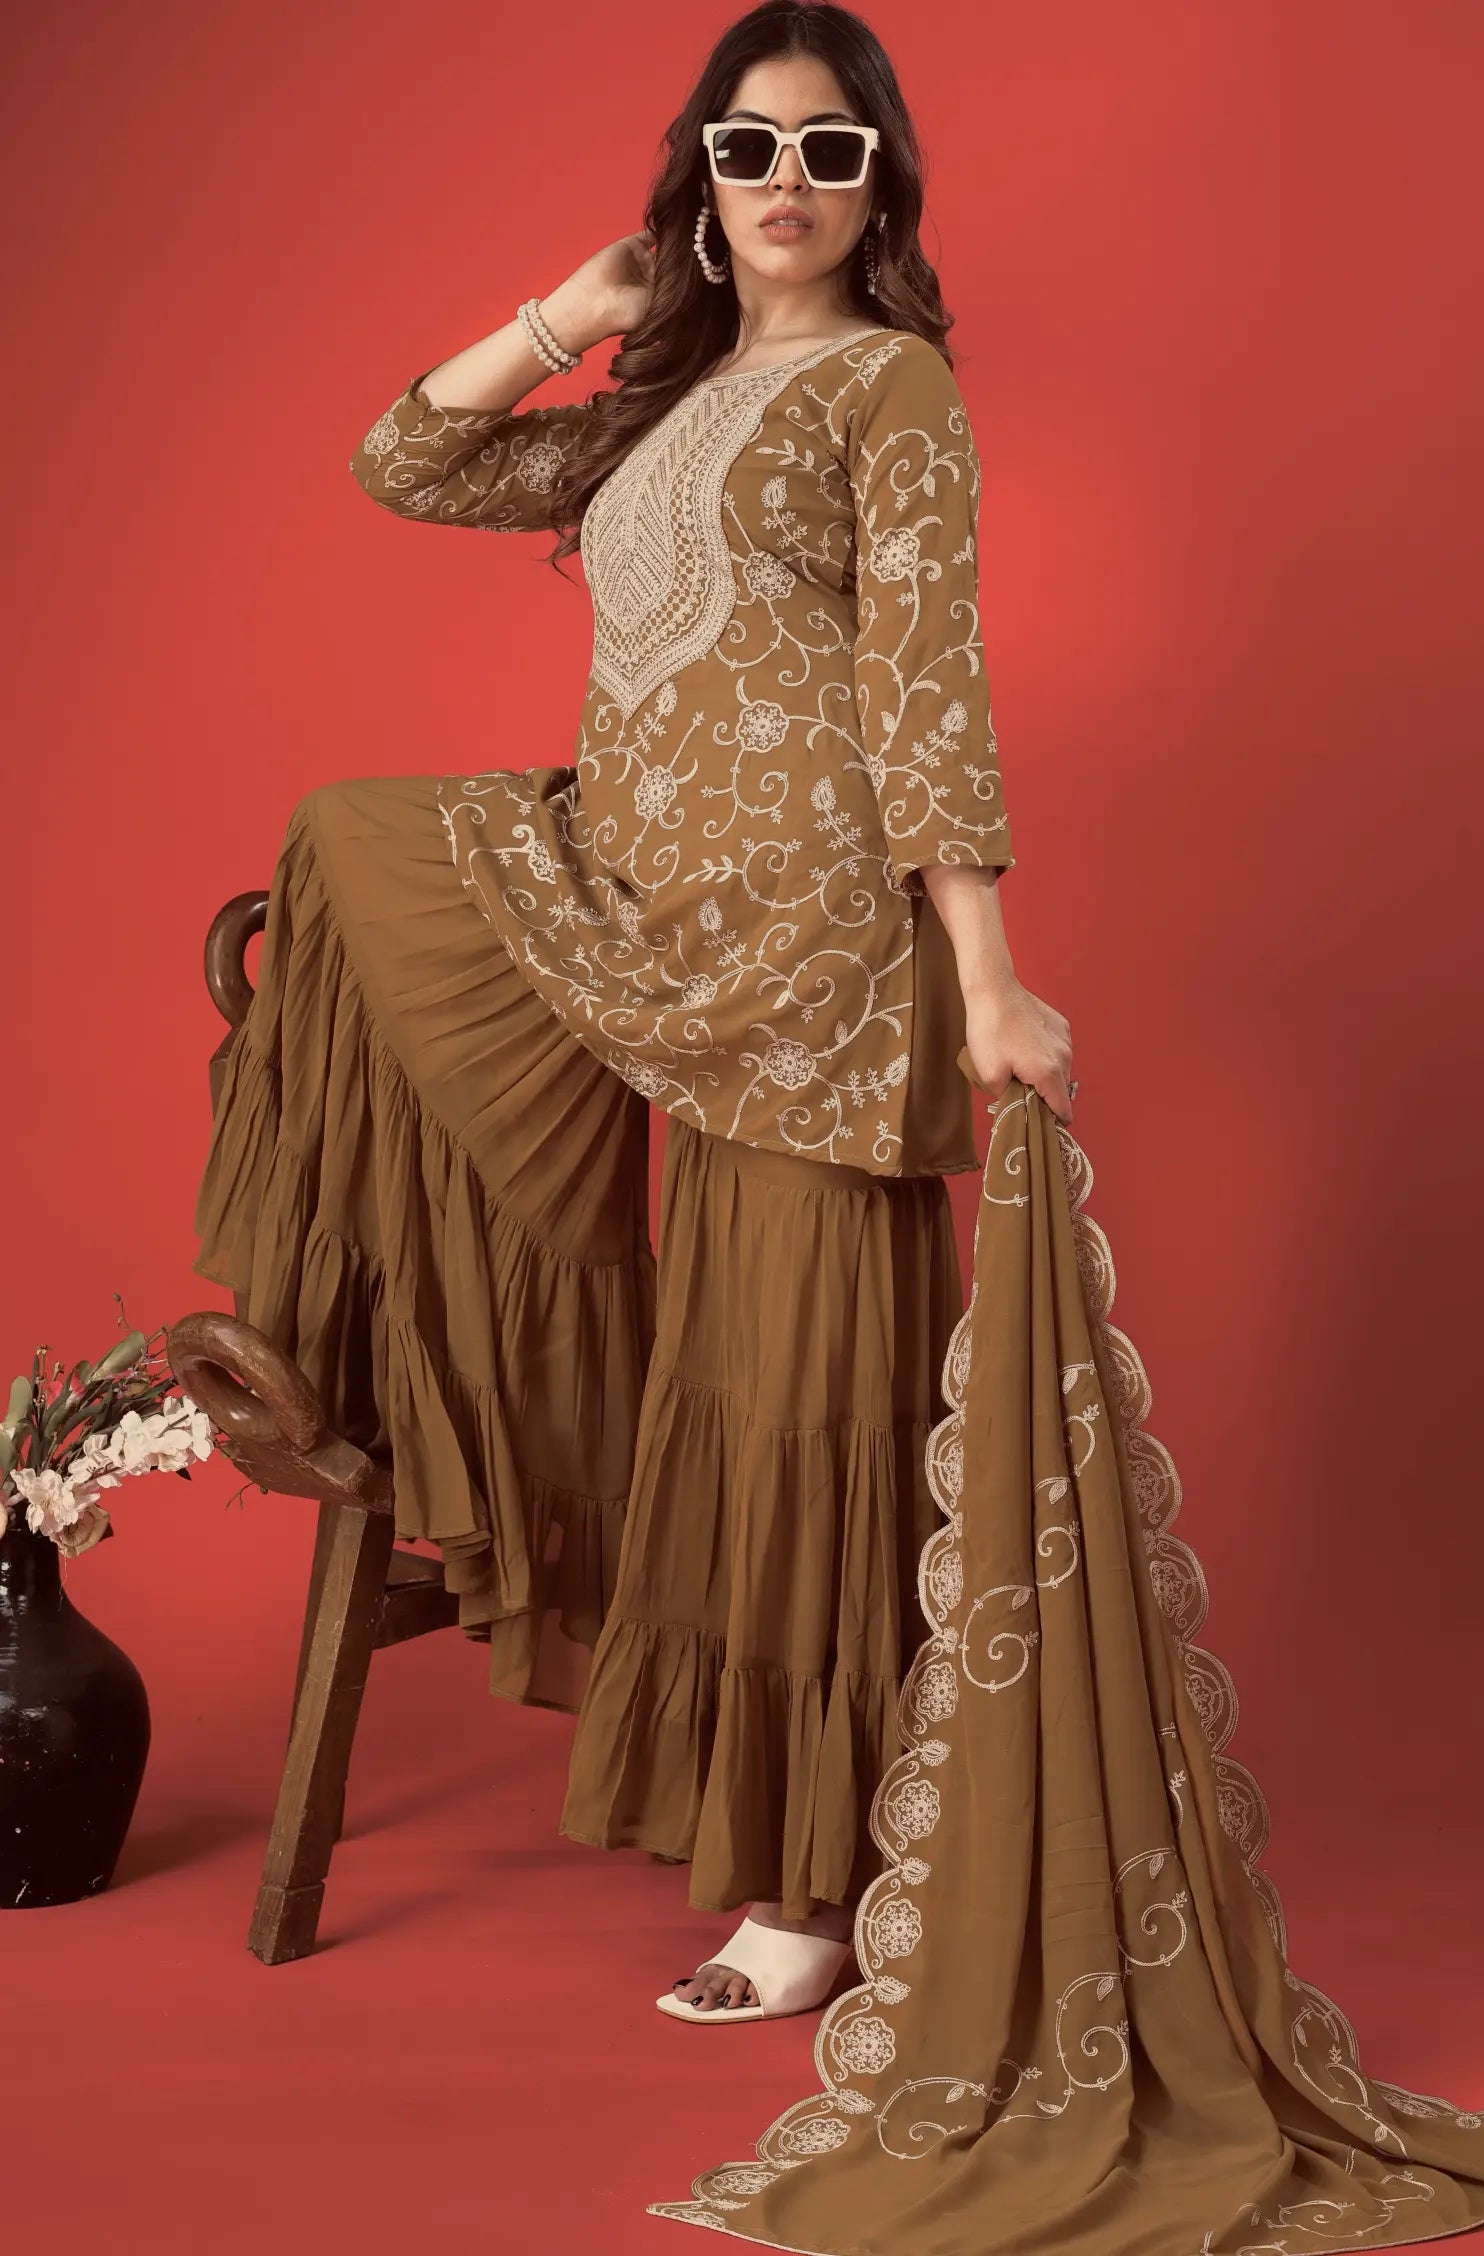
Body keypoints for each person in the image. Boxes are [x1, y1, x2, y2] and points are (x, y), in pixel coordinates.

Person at [192, 0, 1071, 2024]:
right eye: (746, 149)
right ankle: (420, 1398)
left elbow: (926, 686)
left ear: (884, 187)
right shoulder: (657, 407)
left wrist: (987, 984)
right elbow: (405, 460)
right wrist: (572, 305)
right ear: (700, 176)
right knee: (352, 836)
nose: (785, 187)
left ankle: (818, 1885)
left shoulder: (889, 390)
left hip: (819, 956)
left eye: (829, 153)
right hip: (646, 915)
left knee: (799, 1396)